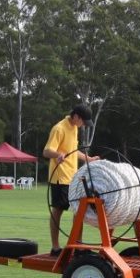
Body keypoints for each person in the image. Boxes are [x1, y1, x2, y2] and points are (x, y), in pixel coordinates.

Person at [42, 104, 99, 255]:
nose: (83, 126)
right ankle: (55, 248)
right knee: (58, 210)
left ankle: (77, 246)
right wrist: (57, 155)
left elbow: (73, 152)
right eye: (83, 122)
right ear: (76, 117)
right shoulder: (59, 128)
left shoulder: (74, 128)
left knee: (79, 210)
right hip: (60, 177)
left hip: (73, 177)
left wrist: (89, 159)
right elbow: (47, 151)